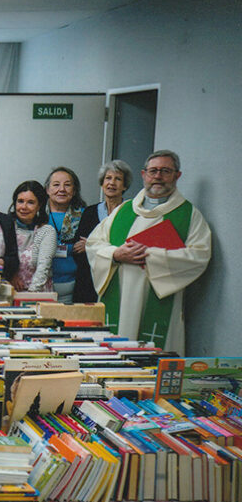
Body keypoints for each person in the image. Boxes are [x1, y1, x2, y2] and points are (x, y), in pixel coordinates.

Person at [86, 150, 211, 354]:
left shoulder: (189, 215)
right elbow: (94, 243)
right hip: (120, 295)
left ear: (177, 175)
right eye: (153, 171)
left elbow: (199, 256)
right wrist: (116, 254)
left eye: (165, 171)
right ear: (144, 174)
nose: (158, 176)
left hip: (158, 300)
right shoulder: (123, 210)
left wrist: (150, 255)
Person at [72, 160, 133, 303]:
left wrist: (92, 245)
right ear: (102, 183)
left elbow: (129, 246)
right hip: (88, 280)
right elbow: (77, 248)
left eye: (118, 179)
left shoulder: (130, 213)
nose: (112, 183)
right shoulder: (89, 212)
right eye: (108, 178)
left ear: (124, 186)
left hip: (119, 278)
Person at [44, 167, 88, 303]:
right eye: (56, 185)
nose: (62, 189)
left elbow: (100, 243)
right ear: (47, 189)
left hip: (75, 286)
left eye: (67, 185)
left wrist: (90, 244)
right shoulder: (37, 215)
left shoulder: (86, 215)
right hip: (42, 285)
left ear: (74, 191)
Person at [8, 180, 57, 292]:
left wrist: (30, 295)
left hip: (37, 294)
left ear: (39, 205)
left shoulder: (46, 231)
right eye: (20, 201)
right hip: (9, 292)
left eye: (30, 202)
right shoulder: (5, 226)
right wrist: (11, 275)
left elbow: (43, 268)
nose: (24, 207)